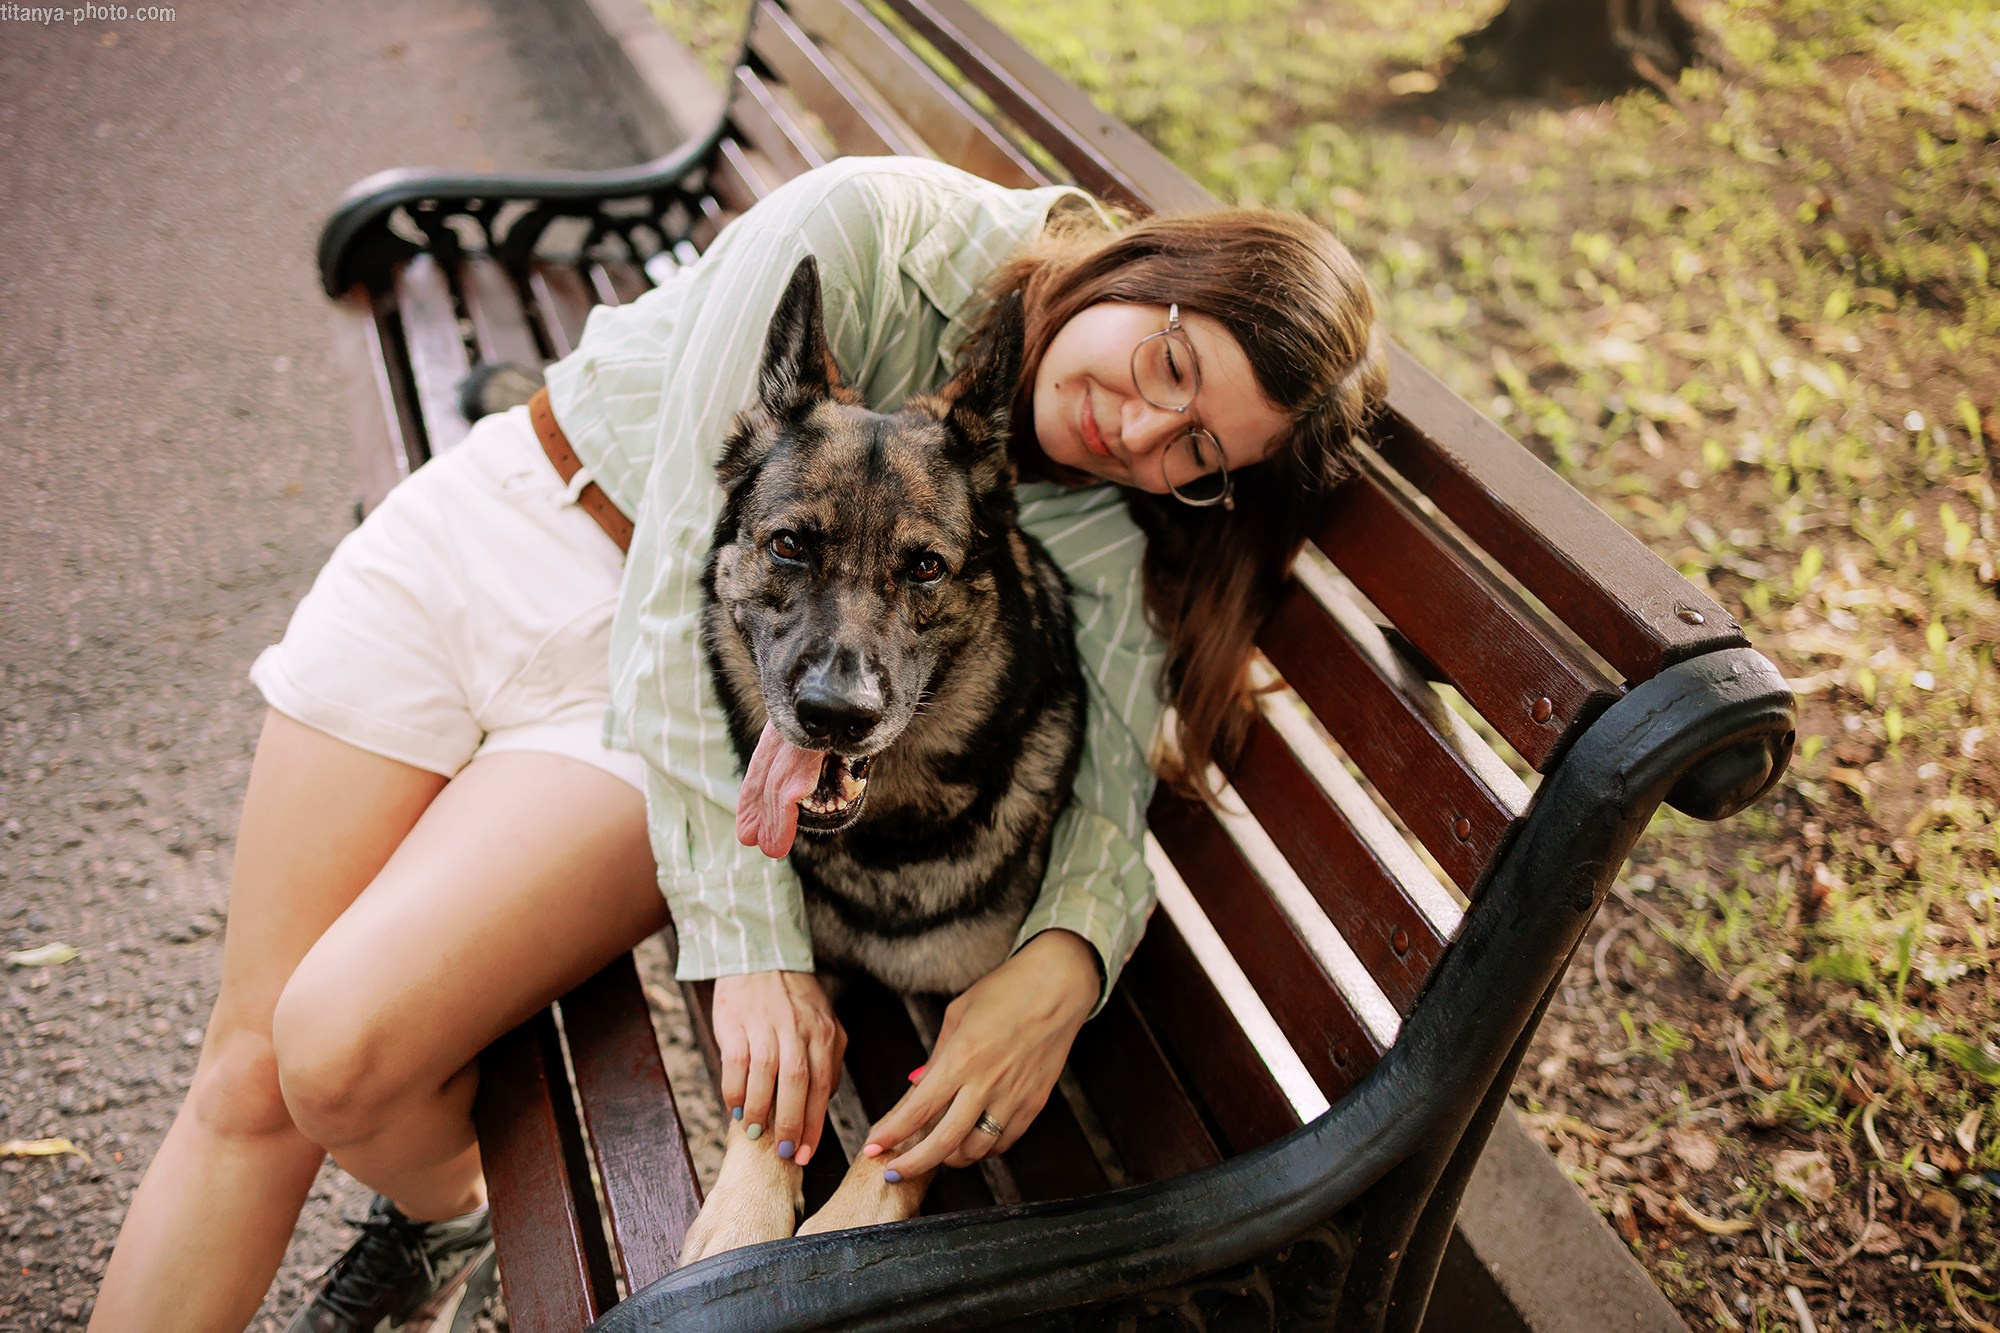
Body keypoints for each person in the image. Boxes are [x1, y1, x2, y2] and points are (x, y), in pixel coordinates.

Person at [87, 154, 1386, 1332]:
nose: (1140, 431)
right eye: (1170, 366)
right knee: (246, 1078)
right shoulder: (868, 227)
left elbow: (1104, 794)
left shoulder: (1089, 517)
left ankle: (454, 1215)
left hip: (672, 718)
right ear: (1151, 266)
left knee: (330, 1051)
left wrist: (1066, 958)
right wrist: (752, 950)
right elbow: (680, 553)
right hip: (498, 527)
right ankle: (455, 1215)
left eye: (1197, 451)